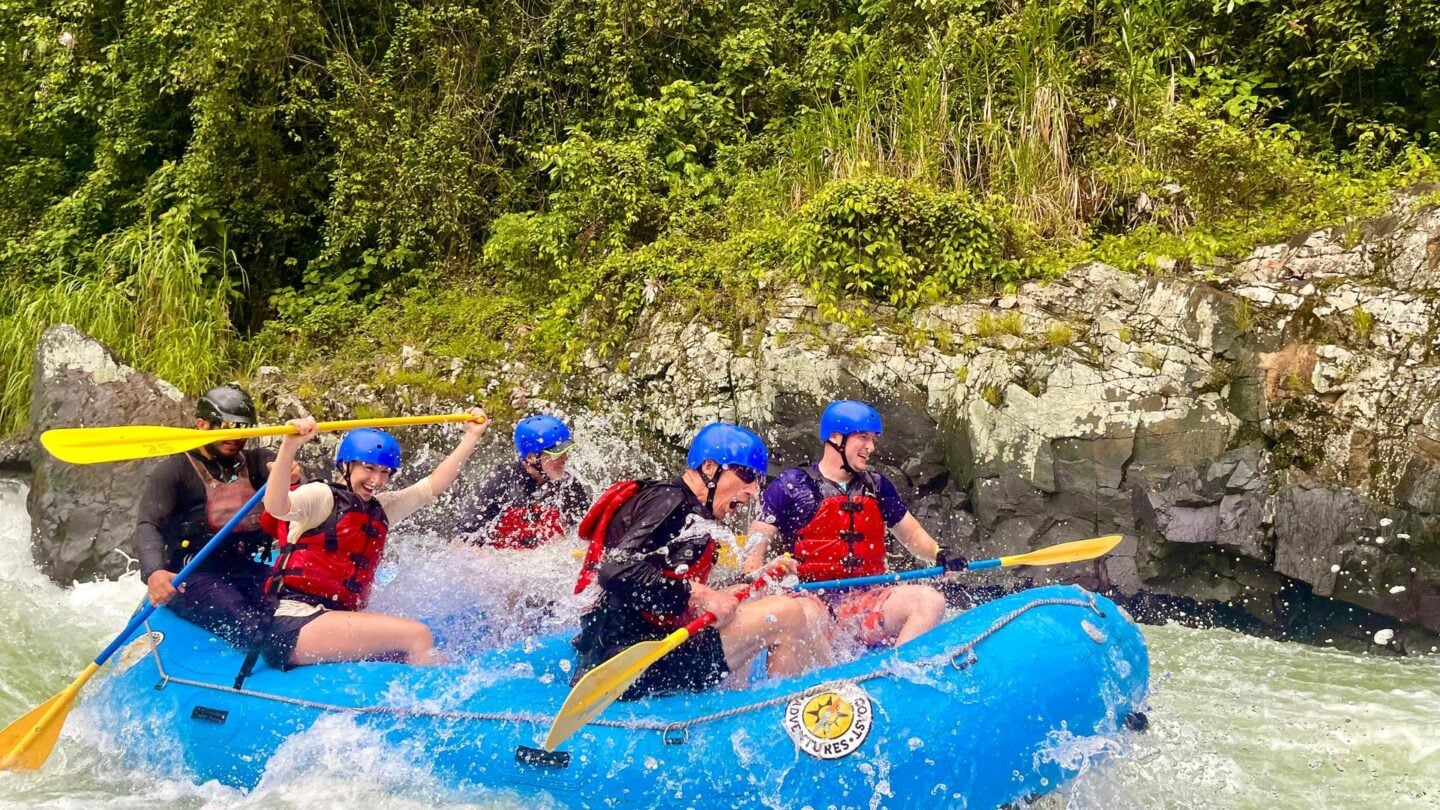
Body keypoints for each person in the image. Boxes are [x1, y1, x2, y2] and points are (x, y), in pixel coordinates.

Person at [571, 422, 831, 699]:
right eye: (745, 475)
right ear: (709, 467)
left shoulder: (695, 514)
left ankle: (752, 707)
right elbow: (615, 570)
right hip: (628, 662)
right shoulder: (668, 501)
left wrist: (754, 579)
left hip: (660, 647)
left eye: (757, 480)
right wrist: (702, 595)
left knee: (798, 609)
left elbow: (672, 587)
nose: (753, 490)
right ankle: (805, 704)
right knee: (786, 614)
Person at [256, 407, 489, 669]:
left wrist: (471, 437)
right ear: (346, 465)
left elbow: (432, 486)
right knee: (417, 636)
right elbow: (275, 506)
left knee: (405, 652)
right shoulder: (321, 496)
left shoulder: (381, 509)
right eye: (368, 468)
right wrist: (289, 446)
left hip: (328, 619)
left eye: (385, 472)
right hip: (292, 623)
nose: (376, 480)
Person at [744, 400, 965, 647]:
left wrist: (938, 552)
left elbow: (911, 535)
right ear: (836, 438)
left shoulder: (878, 486)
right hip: (809, 600)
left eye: (873, 439)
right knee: (808, 617)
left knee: (930, 600)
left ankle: (897, 672)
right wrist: (756, 579)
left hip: (866, 600)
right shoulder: (791, 485)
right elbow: (755, 548)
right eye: (863, 437)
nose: (870, 447)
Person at [134, 383, 301, 646]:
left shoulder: (257, 461)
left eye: (241, 428)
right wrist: (154, 573)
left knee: (301, 598)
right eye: (226, 427)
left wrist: (288, 470)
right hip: (191, 576)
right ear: (202, 425)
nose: (234, 437)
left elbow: (282, 474)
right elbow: (148, 525)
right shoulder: (175, 471)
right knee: (248, 623)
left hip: (244, 566)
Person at [455, 414, 589, 548]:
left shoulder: (569, 485)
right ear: (531, 457)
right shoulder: (498, 485)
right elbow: (459, 543)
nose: (565, 458)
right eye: (557, 453)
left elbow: (586, 533)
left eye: (566, 451)